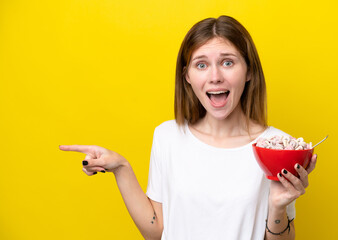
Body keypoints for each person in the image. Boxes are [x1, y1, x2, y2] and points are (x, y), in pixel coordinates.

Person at [59, 15, 317, 240]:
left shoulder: (277, 145)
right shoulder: (167, 137)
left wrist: (278, 207)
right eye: (201, 65)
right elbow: (157, 232)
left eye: (228, 62)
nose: (215, 76)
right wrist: (122, 168)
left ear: (249, 71)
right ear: (187, 77)